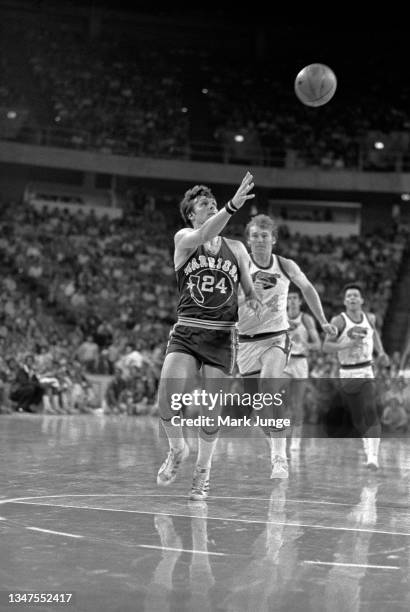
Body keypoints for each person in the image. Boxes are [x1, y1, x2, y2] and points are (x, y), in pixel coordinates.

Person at [156, 172, 262, 501]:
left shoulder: (238, 249)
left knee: (211, 414)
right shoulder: (185, 238)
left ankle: (203, 472)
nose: (211, 206)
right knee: (166, 401)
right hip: (187, 330)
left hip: (221, 338)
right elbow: (206, 231)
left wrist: (254, 299)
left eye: (213, 203)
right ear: (192, 213)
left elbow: (246, 288)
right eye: (205, 204)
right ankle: (177, 449)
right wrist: (231, 205)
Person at [236, 214, 337, 478]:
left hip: (276, 338)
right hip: (246, 342)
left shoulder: (285, 265)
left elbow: (308, 288)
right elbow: (223, 305)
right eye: (255, 235)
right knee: (256, 413)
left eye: (264, 235)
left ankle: (280, 458)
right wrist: (248, 294)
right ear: (248, 240)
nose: (259, 240)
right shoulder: (238, 266)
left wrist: (323, 321)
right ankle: (276, 444)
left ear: (274, 240)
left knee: (270, 385)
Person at [322, 282, 390, 470]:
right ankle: (367, 442)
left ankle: (373, 456)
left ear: (362, 300)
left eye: (355, 295)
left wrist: (381, 352)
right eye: (349, 296)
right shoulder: (338, 321)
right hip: (347, 372)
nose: (352, 298)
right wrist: (346, 345)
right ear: (345, 301)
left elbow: (374, 335)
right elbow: (326, 347)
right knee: (358, 418)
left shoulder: (370, 318)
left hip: (366, 370)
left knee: (370, 408)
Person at [284, 287, 321, 452]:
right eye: (289, 298)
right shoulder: (279, 317)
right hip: (283, 363)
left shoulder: (306, 319)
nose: (291, 301)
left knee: (297, 404)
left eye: (294, 298)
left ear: (300, 302)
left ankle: (296, 440)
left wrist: (304, 343)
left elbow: (318, 345)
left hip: (300, 363)